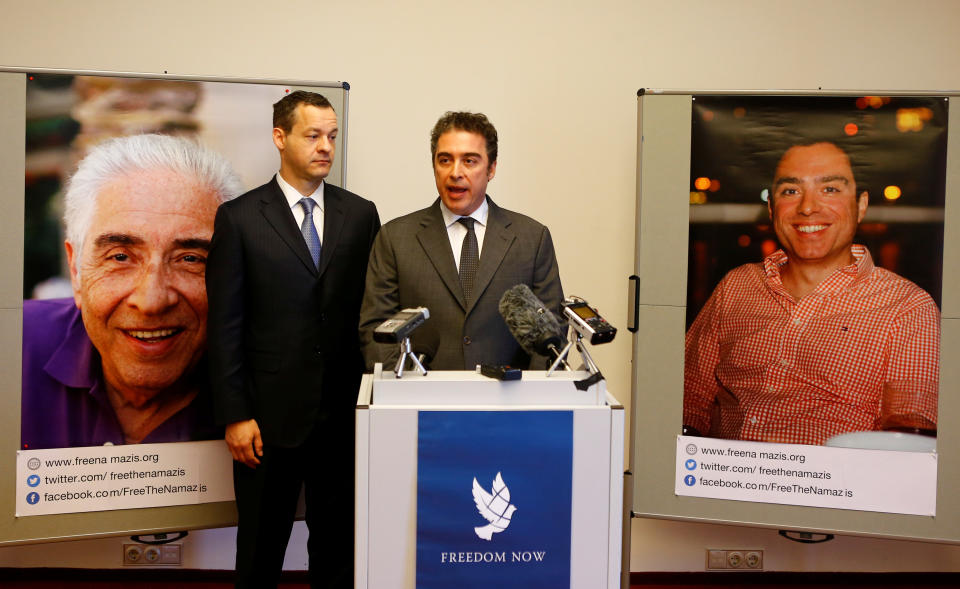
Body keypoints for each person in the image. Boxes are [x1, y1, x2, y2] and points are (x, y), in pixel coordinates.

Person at [206, 91, 379, 588]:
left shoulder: (360, 215)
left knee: (338, 548)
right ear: (280, 138)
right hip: (266, 418)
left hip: (342, 415)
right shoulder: (239, 219)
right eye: (313, 135)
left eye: (332, 136)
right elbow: (225, 326)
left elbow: (369, 312)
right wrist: (236, 414)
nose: (325, 146)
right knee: (261, 548)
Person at [683, 140, 940, 446]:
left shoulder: (908, 308)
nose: (807, 207)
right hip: (719, 480)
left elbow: (910, 439)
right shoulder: (736, 286)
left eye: (830, 189)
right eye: (791, 191)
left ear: (861, 206)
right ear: (771, 208)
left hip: (830, 488)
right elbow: (688, 400)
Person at [21, 133, 243, 450]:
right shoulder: (14, 348)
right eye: (121, 257)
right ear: (76, 270)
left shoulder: (279, 389)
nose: (151, 301)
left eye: (191, 259)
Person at [358, 111, 563, 371]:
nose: (455, 172)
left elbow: (551, 331)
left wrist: (530, 401)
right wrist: (402, 392)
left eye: (470, 161)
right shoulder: (395, 238)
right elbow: (376, 331)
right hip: (422, 404)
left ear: (492, 168)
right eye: (445, 160)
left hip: (510, 404)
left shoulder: (532, 239)